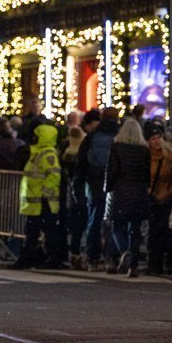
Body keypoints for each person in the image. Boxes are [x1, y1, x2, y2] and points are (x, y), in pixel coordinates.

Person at [104, 118, 151, 277]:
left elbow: (111, 170)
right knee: (135, 230)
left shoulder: (117, 147)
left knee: (117, 226)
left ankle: (124, 252)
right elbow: (146, 173)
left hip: (121, 190)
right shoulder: (144, 149)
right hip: (138, 191)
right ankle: (134, 266)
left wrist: (108, 188)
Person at [75, 107, 119, 270]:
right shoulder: (119, 137)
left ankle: (93, 258)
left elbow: (82, 162)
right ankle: (112, 257)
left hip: (95, 183)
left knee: (94, 220)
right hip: (116, 184)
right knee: (114, 221)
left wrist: (77, 186)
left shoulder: (93, 137)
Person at [12, 124, 60, 269]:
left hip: (43, 201)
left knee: (40, 232)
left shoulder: (48, 154)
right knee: (34, 232)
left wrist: (45, 192)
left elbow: (54, 176)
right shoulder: (39, 152)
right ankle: (31, 259)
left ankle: (46, 260)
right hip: (37, 201)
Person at [145, 121, 172, 275]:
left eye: (159, 137)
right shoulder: (145, 156)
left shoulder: (170, 156)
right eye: (153, 138)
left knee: (167, 231)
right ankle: (154, 263)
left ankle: (171, 263)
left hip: (167, 197)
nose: (157, 141)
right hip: (152, 198)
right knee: (154, 232)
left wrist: (168, 192)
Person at [61, 125, 88, 269]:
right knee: (85, 222)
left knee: (76, 225)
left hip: (72, 191)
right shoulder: (84, 148)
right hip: (84, 189)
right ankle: (83, 254)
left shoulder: (66, 150)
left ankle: (75, 252)